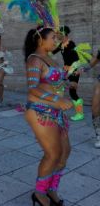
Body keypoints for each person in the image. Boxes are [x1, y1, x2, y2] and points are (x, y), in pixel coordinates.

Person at [24, 26, 73, 206]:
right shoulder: (34, 60)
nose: (56, 41)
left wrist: (69, 75)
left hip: (56, 112)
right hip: (40, 111)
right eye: (53, 38)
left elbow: (54, 82)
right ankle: (39, 193)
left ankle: (52, 188)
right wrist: (56, 100)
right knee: (53, 154)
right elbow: (33, 88)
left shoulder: (50, 58)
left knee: (65, 152)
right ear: (40, 40)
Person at [52, 26, 84, 121]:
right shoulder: (61, 44)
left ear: (64, 34)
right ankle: (58, 111)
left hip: (74, 70)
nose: (57, 36)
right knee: (59, 88)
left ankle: (80, 114)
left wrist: (68, 74)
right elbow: (52, 52)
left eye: (59, 34)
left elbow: (76, 61)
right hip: (66, 69)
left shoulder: (71, 44)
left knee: (72, 91)